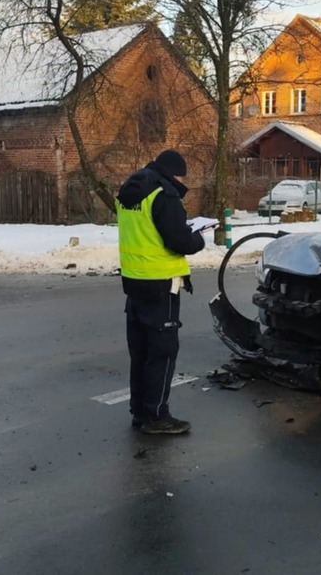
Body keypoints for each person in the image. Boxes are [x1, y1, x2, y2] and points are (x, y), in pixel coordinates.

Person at [116, 149, 207, 435]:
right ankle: (157, 415)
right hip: (160, 284)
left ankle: (140, 411)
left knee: (141, 351)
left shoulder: (132, 188)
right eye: (182, 175)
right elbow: (180, 242)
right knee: (163, 352)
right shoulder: (164, 195)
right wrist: (198, 237)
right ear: (173, 172)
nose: (182, 180)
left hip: (134, 282)